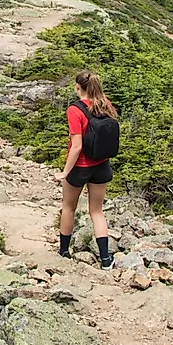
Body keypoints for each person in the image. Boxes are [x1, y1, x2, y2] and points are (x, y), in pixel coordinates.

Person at [57, 69, 119, 269]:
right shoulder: (105, 104)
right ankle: (106, 259)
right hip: (101, 164)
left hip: (80, 166)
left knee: (68, 207)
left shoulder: (74, 110)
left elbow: (77, 146)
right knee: (97, 211)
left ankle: (64, 252)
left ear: (78, 87)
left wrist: (65, 172)